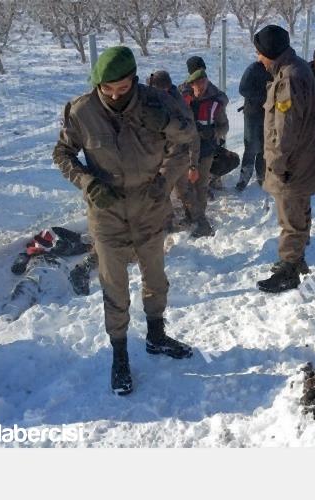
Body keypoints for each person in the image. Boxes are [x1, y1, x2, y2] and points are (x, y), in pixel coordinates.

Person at [53, 46, 199, 396]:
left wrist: (163, 182)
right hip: (107, 213)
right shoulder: (81, 111)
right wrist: (87, 183)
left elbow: (186, 139)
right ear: (97, 84)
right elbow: (63, 153)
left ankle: (156, 335)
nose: (116, 95)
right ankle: (119, 354)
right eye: (108, 89)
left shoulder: (157, 103)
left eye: (123, 87)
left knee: (155, 278)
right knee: (114, 288)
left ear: (134, 79)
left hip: (149, 205)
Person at [252, 25, 315, 294]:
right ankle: (297, 258)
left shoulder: (289, 78)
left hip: (293, 164)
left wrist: (277, 164)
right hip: (304, 159)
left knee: (290, 215)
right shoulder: (295, 69)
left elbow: (285, 130)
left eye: (260, 53)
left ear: (270, 53)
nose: (258, 58)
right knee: (299, 209)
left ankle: (289, 268)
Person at [146, 70, 200, 233]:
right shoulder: (176, 98)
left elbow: (190, 133)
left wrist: (194, 164)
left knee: (160, 192)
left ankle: (167, 224)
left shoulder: (170, 104)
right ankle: (197, 219)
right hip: (180, 155)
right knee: (184, 190)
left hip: (172, 156)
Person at [181, 68, 229, 238]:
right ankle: (189, 215)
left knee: (200, 185)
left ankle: (200, 220)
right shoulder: (183, 101)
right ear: (191, 85)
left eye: (204, 83)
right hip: (184, 151)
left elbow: (224, 126)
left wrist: (214, 132)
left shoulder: (214, 103)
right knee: (184, 186)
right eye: (198, 84)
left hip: (205, 150)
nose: (201, 87)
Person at [236, 59, 271, 190]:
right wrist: (263, 97)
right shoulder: (253, 69)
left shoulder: (275, 68)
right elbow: (242, 89)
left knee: (264, 146)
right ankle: (244, 178)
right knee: (251, 145)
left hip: (268, 114)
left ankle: (262, 175)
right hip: (252, 113)